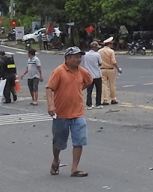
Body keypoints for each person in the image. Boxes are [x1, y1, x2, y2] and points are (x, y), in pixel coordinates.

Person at [47, 46, 93, 177]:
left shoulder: (82, 72)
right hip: (61, 114)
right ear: (67, 59)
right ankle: (56, 159)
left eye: (80, 57)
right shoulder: (59, 71)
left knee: (79, 140)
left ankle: (74, 168)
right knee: (59, 143)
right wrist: (51, 105)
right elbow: (49, 88)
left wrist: (78, 89)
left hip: (78, 113)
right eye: (76, 57)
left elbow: (89, 81)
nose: (79, 59)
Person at [98, 37, 123, 105]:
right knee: (112, 85)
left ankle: (105, 100)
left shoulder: (99, 51)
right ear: (109, 44)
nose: (112, 45)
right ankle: (113, 99)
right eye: (111, 43)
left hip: (102, 69)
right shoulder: (111, 51)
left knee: (104, 85)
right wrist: (118, 68)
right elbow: (113, 61)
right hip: (110, 69)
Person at [82, 42, 103, 108]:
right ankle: (98, 103)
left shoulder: (85, 54)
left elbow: (84, 63)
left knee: (89, 91)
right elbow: (100, 63)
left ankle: (89, 104)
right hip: (97, 75)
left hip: (88, 75)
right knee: (98, 90)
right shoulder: (97, 55)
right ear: (94, 47)